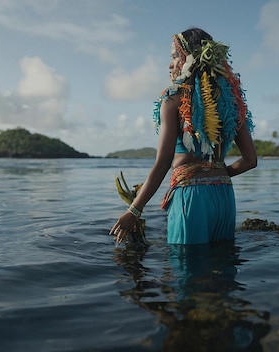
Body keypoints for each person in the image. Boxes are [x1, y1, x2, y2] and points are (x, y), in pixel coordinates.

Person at [110, 27, 257, 245]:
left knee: (186, 274)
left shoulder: (172, 99)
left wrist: (134, 210)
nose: (170, 64)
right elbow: (250, 160)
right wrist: (215, 173)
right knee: (223, 272)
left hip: (191, 197)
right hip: (224, 196)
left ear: (190, 59)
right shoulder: (231, 101)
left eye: (174, 56)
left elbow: (162, 164)